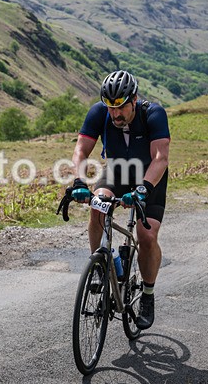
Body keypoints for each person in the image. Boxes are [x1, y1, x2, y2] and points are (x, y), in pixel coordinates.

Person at [70, 70, 170, 330]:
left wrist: (143, 190)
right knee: (98, 207)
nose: (115, 114)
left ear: (134, 99)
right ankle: (102, 266)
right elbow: (81, 150)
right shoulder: (99, 113)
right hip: (117, 171)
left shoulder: (153, 114)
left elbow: (160, 158)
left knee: (146, 236)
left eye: (121, 106)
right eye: (110, 107)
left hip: (149, 177)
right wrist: (79, 182)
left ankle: (147, 295)